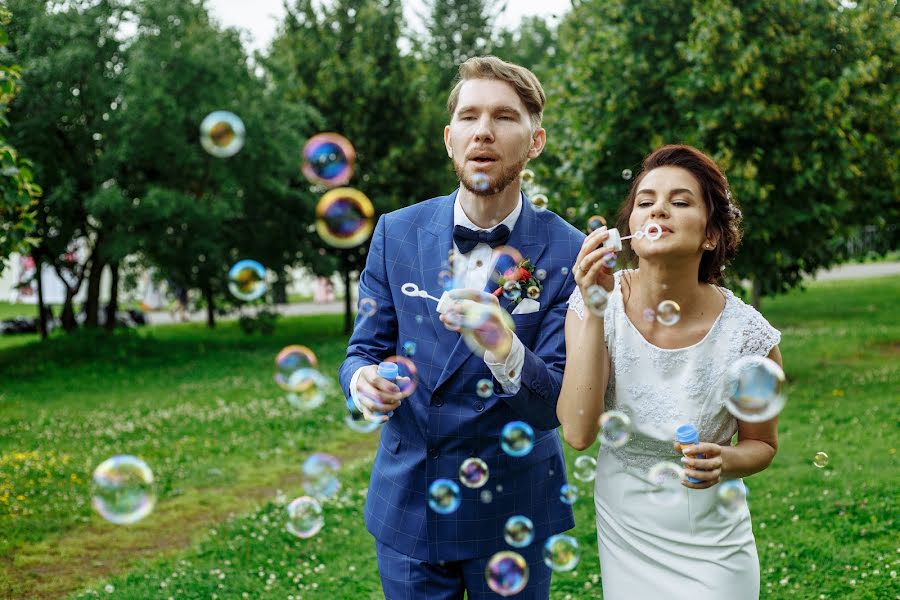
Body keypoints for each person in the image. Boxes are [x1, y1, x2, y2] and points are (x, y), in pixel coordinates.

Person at [338, 56, 584, 599]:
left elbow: (555, 406)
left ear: (535, 140)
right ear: (450, 139)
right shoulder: (395, 232)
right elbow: (363, 349)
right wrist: (363, 382)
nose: (484, 131)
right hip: (411, 504)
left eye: (504, 117)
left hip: (514, 503)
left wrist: (501, 344)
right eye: (470, 117)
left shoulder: (568, 250)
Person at [558, 144, 782, 599]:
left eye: (680, 202)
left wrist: (727, 460)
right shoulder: (591, 304)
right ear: (631, 230)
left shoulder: (748, 335)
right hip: (627, 529)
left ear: (711, 236)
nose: (658, 209)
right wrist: (598, 307)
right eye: (645, 202)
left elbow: (761, 444)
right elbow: (578, 432)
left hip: (713, 543)